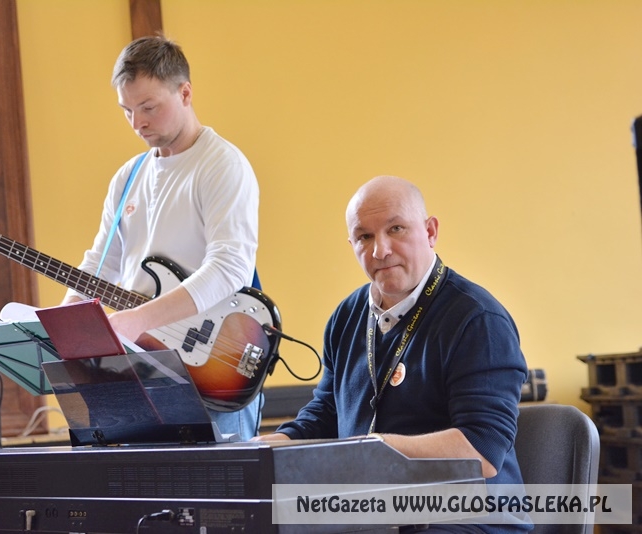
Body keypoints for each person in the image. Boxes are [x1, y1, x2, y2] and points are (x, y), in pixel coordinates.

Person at [253, 175, 530, 533]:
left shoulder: (478, 320)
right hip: (373, 514)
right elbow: (327, 413)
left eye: (396, 229)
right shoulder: (346, 315)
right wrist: (273, 444)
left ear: (430, 231)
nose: (379, 251)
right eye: (364, 237)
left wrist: (375, 448)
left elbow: (482, 449)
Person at [62, 36, 262, 440]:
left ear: (185, 93)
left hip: (212, 363)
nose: (137, 123)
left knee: (220, 481)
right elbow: (102, 263)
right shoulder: (127, 177)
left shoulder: (221, 164)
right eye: (127, 110)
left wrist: (139, 319)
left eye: (149, 107)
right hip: (139, 367)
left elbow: (231, 267)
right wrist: (63, 318)